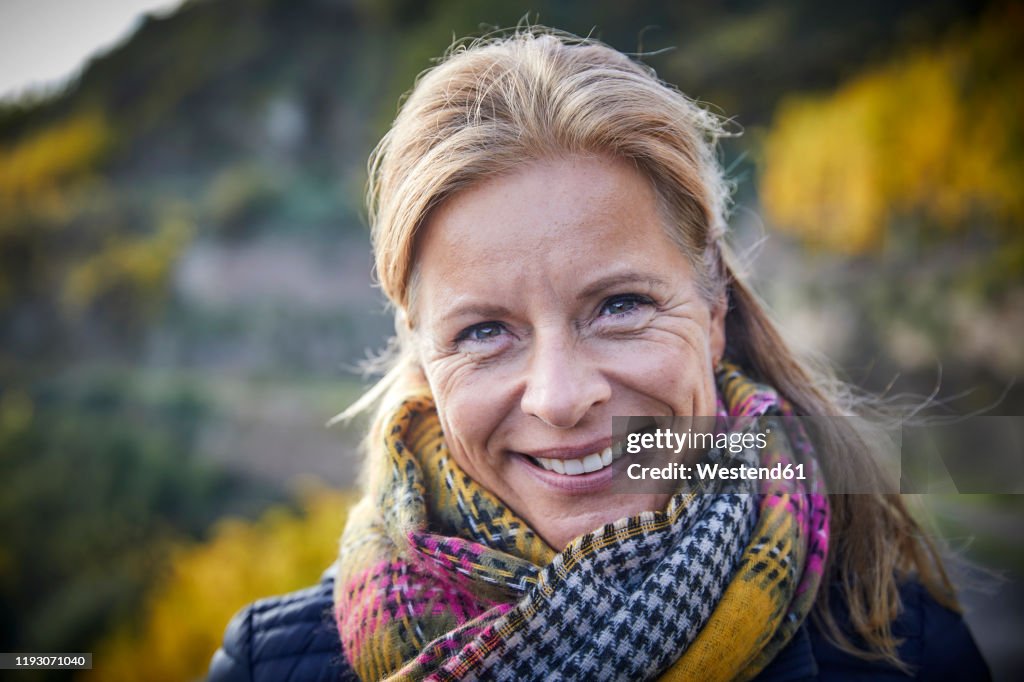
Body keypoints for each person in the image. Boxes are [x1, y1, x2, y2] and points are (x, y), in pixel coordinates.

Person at [208, 27, 989, 681]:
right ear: (421, 354)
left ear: (713, 308)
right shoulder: (267, 664)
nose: (558, 396)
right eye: (483, 332)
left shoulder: (903, 642)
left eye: (620, 307)